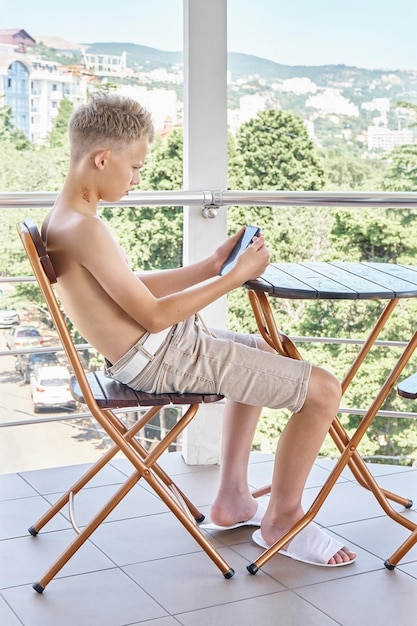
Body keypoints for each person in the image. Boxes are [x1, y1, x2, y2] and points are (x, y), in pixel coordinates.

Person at [42, 93, 356, 567]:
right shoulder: (85, 229)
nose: (137, 179)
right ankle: (284, 521)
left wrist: (211, 265)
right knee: (324, 392)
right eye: (135, 168)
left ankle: (232, 498)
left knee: (265, 349)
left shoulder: (66, 219)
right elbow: (150, 315)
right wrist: (231, 277)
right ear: (102, 159)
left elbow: (131, 290)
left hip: (156, 351)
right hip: (161, 355)